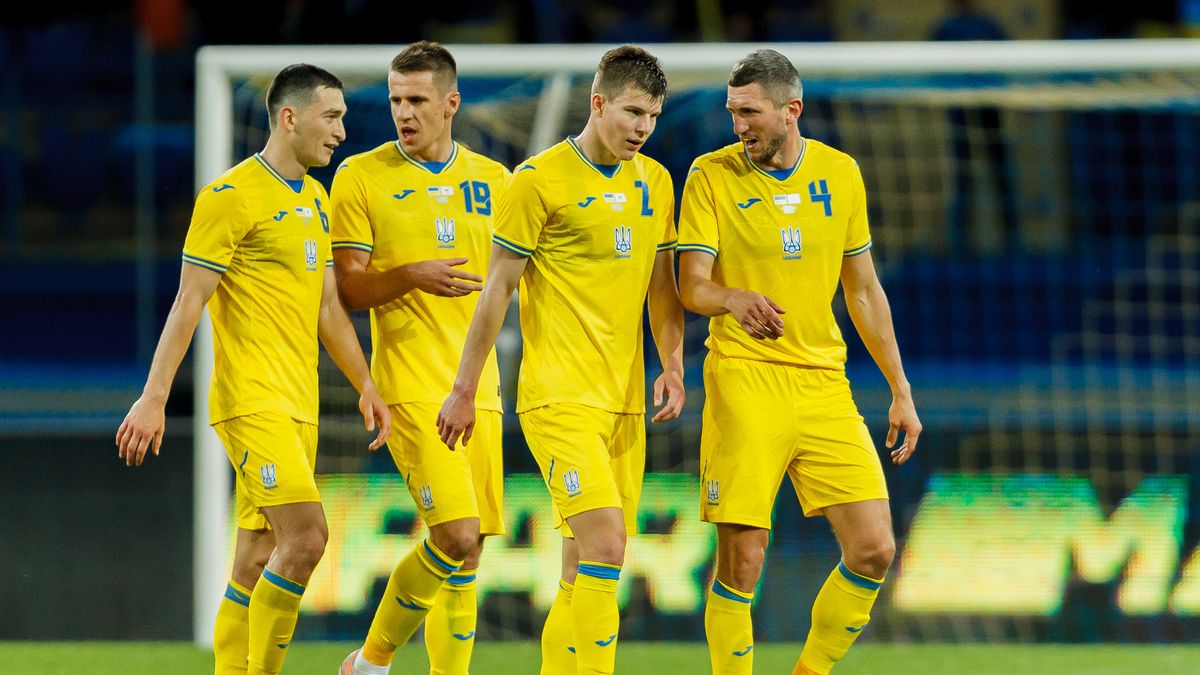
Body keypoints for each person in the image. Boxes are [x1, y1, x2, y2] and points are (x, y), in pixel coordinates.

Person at [114, 64, 390, 675]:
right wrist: (154, 396)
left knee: (254, 560)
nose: (343, 131)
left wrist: (365, 382)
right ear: (289, 118)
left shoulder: (315, 199)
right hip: (253, 402)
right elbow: (189, 302)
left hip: (300, 405)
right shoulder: (229, 198)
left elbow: (325, 307)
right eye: (332, 117)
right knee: (308, 539)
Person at [437, 45, 685, 675]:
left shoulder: (655, 182)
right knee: (607, 544)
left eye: (652, 116)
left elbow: (662, 285)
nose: (641, 128)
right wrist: (464, 388)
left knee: (582, 567)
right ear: (598, 102)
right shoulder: (537, 180)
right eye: (632, 112)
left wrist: (673, 364)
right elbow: (496, 291)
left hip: (624, 402)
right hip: (559, 397)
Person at [676, 49, 921, 675]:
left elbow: (863, 290)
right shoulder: (710, 176)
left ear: (793, 110)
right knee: (744, 558)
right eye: (733, 113)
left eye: (750, 112)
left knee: (873, 550)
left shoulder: (841, 174)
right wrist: (731, 299)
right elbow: (690, 286)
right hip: (744, 378)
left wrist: (900, 389)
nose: (739, 126)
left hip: (823, 384)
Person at [331, 42, 510, 675]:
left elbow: (519, 281)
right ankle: (371, 664)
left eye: (417, 101)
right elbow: (348, 289)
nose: (403, 113)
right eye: (395, 100)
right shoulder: (360, 176)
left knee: (472, 552)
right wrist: (410, 274)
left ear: (451, 103)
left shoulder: (496, 181)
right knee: (454, 535)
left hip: (478, 389)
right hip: (409, 385)